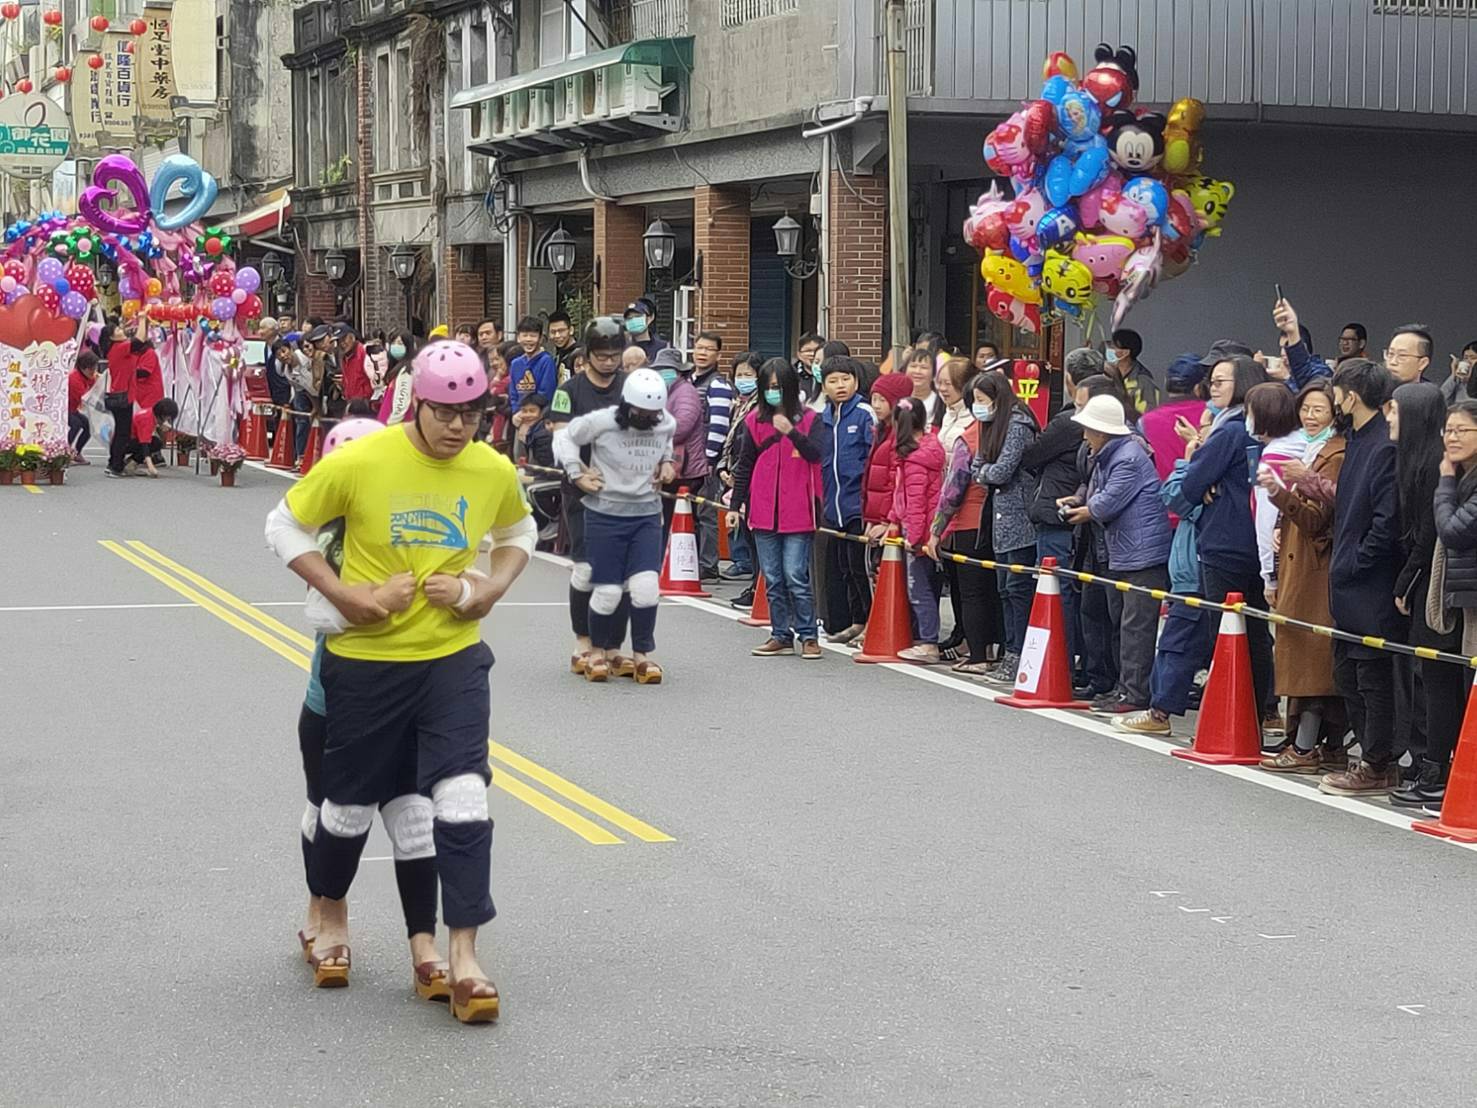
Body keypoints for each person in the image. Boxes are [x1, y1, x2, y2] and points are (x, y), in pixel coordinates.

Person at [264, 340, 536, 1024]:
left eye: (471, 414)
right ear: (417, 403)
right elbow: (284, 523)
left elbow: (519, 529)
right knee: (347, 811)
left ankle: (465, 954)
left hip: (452, 659)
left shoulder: (490, 468)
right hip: (365, 664)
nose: (457, 428)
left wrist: (486, 590)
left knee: (464, 798)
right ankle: (327, 910)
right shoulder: (362, 459)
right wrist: (347, 596)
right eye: (446, 413)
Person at [289, 416, 446, 1001]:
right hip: (335, 706)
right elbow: (323, 615)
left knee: (414, 819)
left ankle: (424, 946)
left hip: (412, 698)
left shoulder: (417, 526)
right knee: (331, 814)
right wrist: (376, 598)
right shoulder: (325, 543)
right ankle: (327, 917)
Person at [560, 368, 676, 683]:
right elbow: (566, 437)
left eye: (653, 413)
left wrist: (668, 463)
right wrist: (576, 471)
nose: (648, 419)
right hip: (604, 514)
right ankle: (596, 652)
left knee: (646, 588)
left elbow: (666, 442)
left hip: (645, 515)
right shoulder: (603, 421)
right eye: (641, 412)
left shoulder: (665, 421)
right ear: (626, 406)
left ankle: (642, 655)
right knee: (609, 590)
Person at [1319, 358, 1402, 796]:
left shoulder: (1383, 447)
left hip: (1368, 584)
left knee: (1371, 676)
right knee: (1348, 673)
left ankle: (1377, 761)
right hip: (1348, 582)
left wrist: (1355, 562)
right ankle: (1370, 757)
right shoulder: (1356, 442)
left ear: (1351, 396)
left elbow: (1385, 523)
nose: (1334, 398)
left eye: (1337, 392)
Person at [1178, 354, 1275, 722]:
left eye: (1221, 381)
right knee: (1255, 630)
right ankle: (1260, 709)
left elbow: (1191, 485)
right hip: (1257, 544)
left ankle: (1231, 713)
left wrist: (1193, 457)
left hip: (1225, 541)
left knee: (1226, 631)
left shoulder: (1230, 430)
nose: (1212, 388)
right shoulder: (1268, 429)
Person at [1255, 382, 1347, 770]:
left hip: (1314, 569)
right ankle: (1312, 743)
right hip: (1299, 564)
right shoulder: (1308, 450)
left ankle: (1307, 746)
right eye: (1305, 410)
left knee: (1313, 660)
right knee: (1305, 656)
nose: (1310, 417)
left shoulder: (1334, 453)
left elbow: (1315, 518)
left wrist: (1280, 491)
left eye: (1319, 411)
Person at [1059, 395, 1171, 714]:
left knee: (1135, 626)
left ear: (1103, 431)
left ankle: (1135, 694)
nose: (1084, 436)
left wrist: (1082, 510)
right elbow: (1095, 491)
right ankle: (1126, 689)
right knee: (1122, 623)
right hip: (1123, 551)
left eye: (1089, 430)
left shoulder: (1128, 457)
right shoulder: (1111, 454)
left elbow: (1106, 502)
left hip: (1141, 554)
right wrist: (1078, 500)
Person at [1383, 382, 1464, 807]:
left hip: (1440, 589)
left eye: (1395, 410)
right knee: (1432, 677)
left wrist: (1407, 579)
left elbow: (1435, 532)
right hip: (1433, 584)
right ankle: (1431, 765)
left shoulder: (1437, 468)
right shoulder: (1417, 462)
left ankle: (1437, 769)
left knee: (1438, 678)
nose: (1389, 417)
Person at [731, 358, 824, 660]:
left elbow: (816, 455)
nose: (773, 392)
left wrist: (792, 432)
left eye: (778, 387)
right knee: (772, 577)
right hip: (763, 508)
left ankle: (809, 635)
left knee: (795, 574)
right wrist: (735, 505)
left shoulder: (811, 419)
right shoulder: (754, 421)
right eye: (767, 387)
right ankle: (780, 634)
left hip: (798, 509)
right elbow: (744, 465)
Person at [550, 317, 629, 673]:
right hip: (582, 490)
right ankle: (583, 640)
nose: (609, 362)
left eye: (614, 355)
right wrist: (577, 472)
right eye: (601, 355)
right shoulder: (570, 391)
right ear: (587, 354)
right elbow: (561, 435)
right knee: (586, 567)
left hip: (626, 491)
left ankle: (613, 645)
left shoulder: (632, 387)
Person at [1023, 348, 1103, 680]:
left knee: (1058, 591)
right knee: (1070, 591)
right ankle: (1072, 665)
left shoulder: (1070, 419)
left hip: (1060, 510)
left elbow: (1031, 454)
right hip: (1072, 508)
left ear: (1069, 379)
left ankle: (1061, 666)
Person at [968, 372, 1039, 682]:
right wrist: (986, 471)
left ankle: (1018, 652)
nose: (978, 407)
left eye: (981, 401)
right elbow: (978, 466)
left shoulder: (1019, 424)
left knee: (1017, 588)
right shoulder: (991, 426)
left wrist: (985, 472)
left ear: (997, 398)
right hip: (999, 520)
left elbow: (1001, 471)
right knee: (1003, 589)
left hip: (1020, 518)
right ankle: (1009, 651)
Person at [817, 357, 875, 644]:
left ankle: (871, 622)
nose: (840, 386)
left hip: (859, 508)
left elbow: (875, 461)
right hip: (834, 507)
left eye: (845, 379)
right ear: (824, 385)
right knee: (844, 568)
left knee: (861, 567)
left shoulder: (864, 413)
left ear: (856, 380)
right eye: (833, 381)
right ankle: (856, 620)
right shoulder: (824, 417)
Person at [884, 397, 945, 663]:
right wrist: (893, 518)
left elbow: (917, 502)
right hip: (922, 526)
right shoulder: (928, 448)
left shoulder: (915, 459)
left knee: (918, 588)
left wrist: (913, 536)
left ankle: (929, 641)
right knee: (924, 587)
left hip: (919, 532)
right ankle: (925, 637)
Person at [690, 331, 735, 579]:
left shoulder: (718, 385)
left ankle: (708, 564)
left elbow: (719, 426)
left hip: (704, 461)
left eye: (709, 349)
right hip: (689, 460)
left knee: (706, 513)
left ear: (718, 355)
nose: (702, 353)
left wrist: (708, 460)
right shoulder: (689, 381)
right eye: (699, 347)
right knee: (692, 513)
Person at [717, 351, 763, 590]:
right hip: (735, 472)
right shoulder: (738, 404)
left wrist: (735, 472)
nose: (743, 379)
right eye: (739, 374)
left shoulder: (759, 407)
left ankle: (757, 584)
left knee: (755, 534)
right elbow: (731, 438)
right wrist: (723, 468)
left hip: (749, 476)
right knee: (744, 527)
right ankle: (754, 585)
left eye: (749, 374)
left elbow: (749, 444)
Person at [1138, 354, 1207, 484]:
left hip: (1161, 497)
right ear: (1199, 387)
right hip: (1203, 495)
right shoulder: (1211, 415)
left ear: (1166, 382)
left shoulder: (1145, 422)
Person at [103, 321, 145, 477]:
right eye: (118, 329)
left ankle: (113, 462)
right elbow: (140, 340)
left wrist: (144, 322)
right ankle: (116, 466)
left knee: (120, 431)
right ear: (112, 337)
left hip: (120, 394)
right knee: (123, 433)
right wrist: (142, 318)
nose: (121, 330)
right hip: (123, 395)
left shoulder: (117, 349)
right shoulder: (120, 348)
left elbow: (140, 340)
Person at [1266, 298, 1331, 390]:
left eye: (1286, 347)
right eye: (1281, 348)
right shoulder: (1288, 369)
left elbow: (1308, 394)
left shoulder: (1321, 370)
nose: (1282, 352)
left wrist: (1287, 377)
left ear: (1302, 347)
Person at [1106, 328, 1162, 414]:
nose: (1109, 349)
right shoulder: (1107, 371)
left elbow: (1147, 416)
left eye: (1114, 346)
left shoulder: (1144, 381)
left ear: (1125, 353)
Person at [509, 315, 558, 410]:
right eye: (524, 335)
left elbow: (546, 394)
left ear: (540, 339)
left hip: (539, 416)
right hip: (520, 416)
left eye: (533, 336)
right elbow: (513, 395)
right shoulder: (515, 364)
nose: (528, 339)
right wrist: (516, 413)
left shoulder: (546, 361)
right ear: (518, 338)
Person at [376, 331, 417, 425]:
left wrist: (392, 422)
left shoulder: (406, 372)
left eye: (400, 343)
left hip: (395, 425)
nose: (395, 346)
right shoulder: (397, 368)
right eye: (393, 343)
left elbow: (402, 400)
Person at [68, 349, 99, 461]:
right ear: (83, 367)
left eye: (95, 368)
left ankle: (77, 452)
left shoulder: (88, 377)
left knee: (88, 425)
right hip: (65, 409)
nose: (93, 371)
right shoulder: (74, 379)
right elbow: (84, 399)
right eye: (91, 368)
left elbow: (96, 388)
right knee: (76, 424)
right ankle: (64, 451)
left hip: (73, 408)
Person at [511, 393, 555, 470]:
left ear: (542, 412)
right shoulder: (525, 429)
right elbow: (519, 458)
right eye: (524, 411)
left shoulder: (544, 433)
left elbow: (542, 464)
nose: (527, 415)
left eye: (532, 411)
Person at [335, 323, 372, 404]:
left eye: (344, 338)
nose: (342, 343)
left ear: (352, 337)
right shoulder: (344, 356)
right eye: (338, 340)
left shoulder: (364, 353)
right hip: (350, 402)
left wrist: (365, 397)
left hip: (364, 403)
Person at [902, 346, 939, 422]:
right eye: (913, 366)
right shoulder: (899, 399)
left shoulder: (939, 403)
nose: (917, 371)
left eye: (924, 367)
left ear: (933, 375)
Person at [1441, 340, 1477, 405]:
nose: (1468, 361)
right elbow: (1440, 400)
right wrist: (1453, 375)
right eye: (1465, 358)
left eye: (1473, 358)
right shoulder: (1458, 381)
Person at [793, 332, 825, 404]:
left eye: (816, 350)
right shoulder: (791, 374)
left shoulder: (828, 375)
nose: (812, 354)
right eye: (808, 351)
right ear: (799, 354)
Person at [547, 310, 578, 379]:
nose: (557, 335)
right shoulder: (557, 357)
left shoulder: (580, 355)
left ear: (571, 330)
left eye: (561, 331)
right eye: (553, 332)